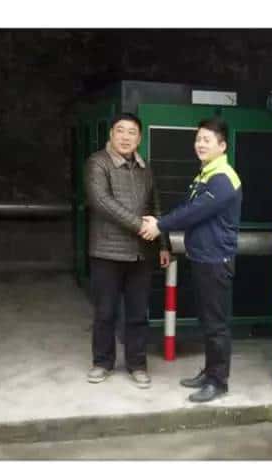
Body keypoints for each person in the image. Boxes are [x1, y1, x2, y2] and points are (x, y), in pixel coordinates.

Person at [139, 117, 241, 402]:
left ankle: (218, 382)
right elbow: (187, 207)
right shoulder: (206, 174)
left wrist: (159, 225)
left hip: (216, 260)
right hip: (203, 257)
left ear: (222, 146)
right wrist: (161, 223)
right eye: (198, 139)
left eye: (207, 140)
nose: (200, 144)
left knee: (216, 324)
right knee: (207, 320)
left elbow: (194, 212)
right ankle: (210, 372)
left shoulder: (223, 178)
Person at [84, 112, 171, 388]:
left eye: (132, 132)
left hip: (141, 253)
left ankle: (137, 364)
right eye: (120, 131)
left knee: (137, 314)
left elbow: (156, 207)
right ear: (111, 134)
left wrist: (163, 243)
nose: (125, 137)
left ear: (139, 138)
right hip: (107, 252)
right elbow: (101, 201)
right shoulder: (98, 162)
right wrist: (140, 225)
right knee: (105, 312)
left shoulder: (146, 168)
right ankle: (102, 362)